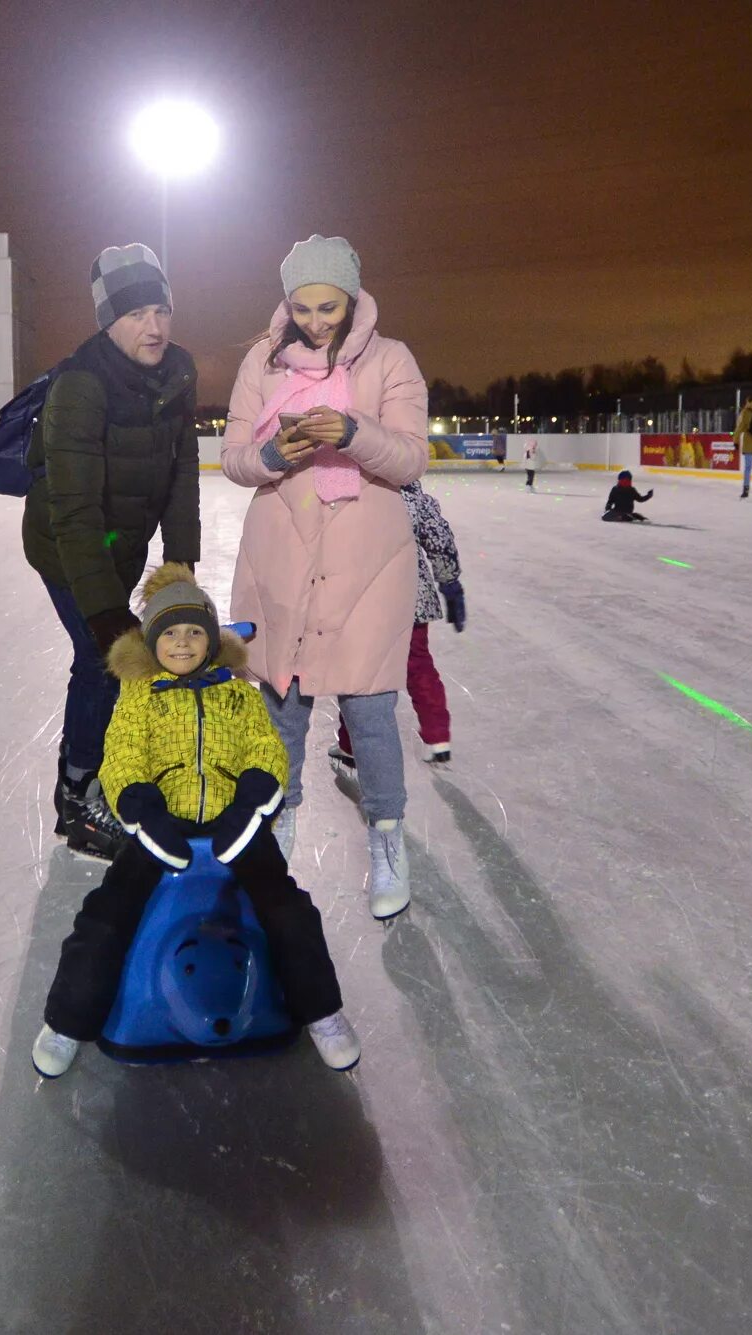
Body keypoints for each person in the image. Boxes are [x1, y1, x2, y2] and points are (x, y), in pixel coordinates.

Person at [30, 564, 359, 1077]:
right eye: (171, 633)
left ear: (210, 638)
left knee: (288, 909)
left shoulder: (238, 692)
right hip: (160, 826)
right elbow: (121, 757)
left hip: (235, 824)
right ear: (152, 639)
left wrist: (251, 805)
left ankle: (322, 1013)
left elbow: (266, 750)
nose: (183, 643)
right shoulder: (137, 697)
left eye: (194, 631)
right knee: (105, 913)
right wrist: (141, 811)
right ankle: (68, 1021)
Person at [221, 235, 429, 920]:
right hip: (280, 553)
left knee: (369, 712)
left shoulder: (392, 359)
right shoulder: (262, 360)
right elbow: (234, 457)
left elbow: (408, 459)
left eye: (329, 306)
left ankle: (387, 839)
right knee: (281, 706)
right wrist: (275, 451)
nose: (315, 320)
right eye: (303, 307)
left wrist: (351, 430)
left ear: (352, 296)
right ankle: (277, 828)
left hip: (366, 563)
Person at [23, 244, 200, 860]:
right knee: (102, 659)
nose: (154, 328)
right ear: (107, 322)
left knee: (109, 656)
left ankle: (106, 771)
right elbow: (74, 515)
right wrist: (103, 614)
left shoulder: (175, 371)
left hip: (122, 543)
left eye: (161, 310)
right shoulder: (81, 385)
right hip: (69, 545)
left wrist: (181, 565)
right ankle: (77, 796)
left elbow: (184, 471)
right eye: (135, 316)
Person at [329, 480, 464, 770]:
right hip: (411, 599)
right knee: (419, 667)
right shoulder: (413, 495)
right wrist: (450, 581)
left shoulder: (352, 490)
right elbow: (440, 541)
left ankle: (350, 744)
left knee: (359, 675)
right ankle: (438, 736)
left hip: (364, 603)